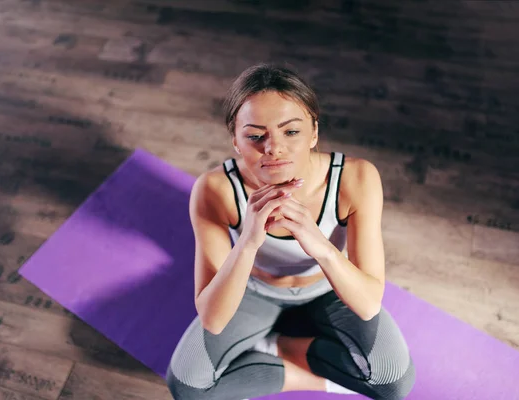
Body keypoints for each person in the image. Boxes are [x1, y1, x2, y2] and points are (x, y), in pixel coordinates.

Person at [166, 63, 415, 400]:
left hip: (328, 292)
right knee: (187, 387)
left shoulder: (355, 179)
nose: (274, 148)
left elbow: (369, 302)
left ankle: (274, 348)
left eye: (291, 132)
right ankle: (297, 358)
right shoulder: (215, 188)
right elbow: (212, 318)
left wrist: (320, 246)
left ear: (314, 132)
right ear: (236, 141)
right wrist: (250, 240)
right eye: (255, 136)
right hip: (256, 292)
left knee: (393, 383)